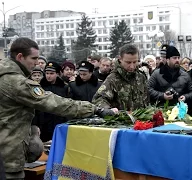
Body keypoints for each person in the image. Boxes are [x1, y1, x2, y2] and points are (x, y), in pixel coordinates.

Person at [0, 37, 117, 179]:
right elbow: (54, 102)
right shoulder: (15, 82)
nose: (37, 63)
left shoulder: (4, 76)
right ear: (20, 57)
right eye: (34, 58)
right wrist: (95, 109)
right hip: (9, 158)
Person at [92, 44, 149, 110]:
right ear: (120, 59)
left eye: (135, 62)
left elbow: (147, 100)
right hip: (122, 119)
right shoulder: (113, 78)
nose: (132, 66)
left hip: (141, 119)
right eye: (128, 62)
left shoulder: (141, 77)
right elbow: (98, 99)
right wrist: (108, 109)